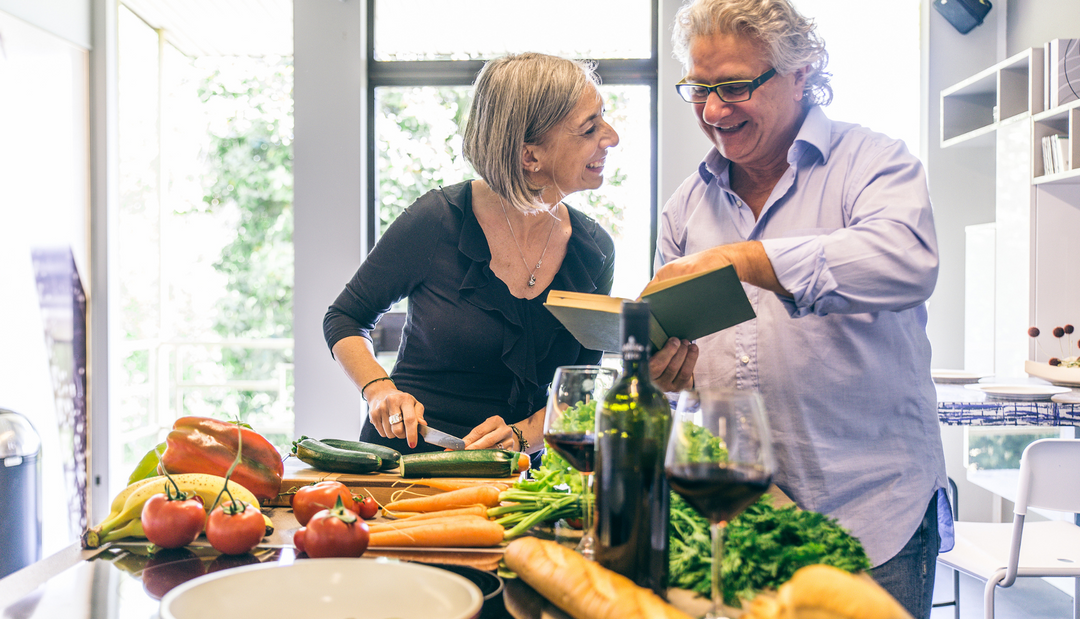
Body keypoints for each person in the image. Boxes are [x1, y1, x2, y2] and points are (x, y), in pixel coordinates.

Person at [654, 1, 953, 617]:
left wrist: (749, 260)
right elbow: (677, 356)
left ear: (801, 73)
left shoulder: (874, 162)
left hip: (870, 515)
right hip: (733, 517)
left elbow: (906, 259)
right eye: (699, 89)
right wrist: (665, 371)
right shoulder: (686, 205)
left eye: (734, 86)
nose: (713, 111)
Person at [324, 52, 696, 461]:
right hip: (404, 465)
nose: (611, 137)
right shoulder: (436, 220)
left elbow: (580, 387)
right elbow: (345, 317)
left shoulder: (595, 250)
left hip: (511, 476)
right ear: (530, 157)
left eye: (602, 118)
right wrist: (379, 389)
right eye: (589, 128)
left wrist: (521, 437)